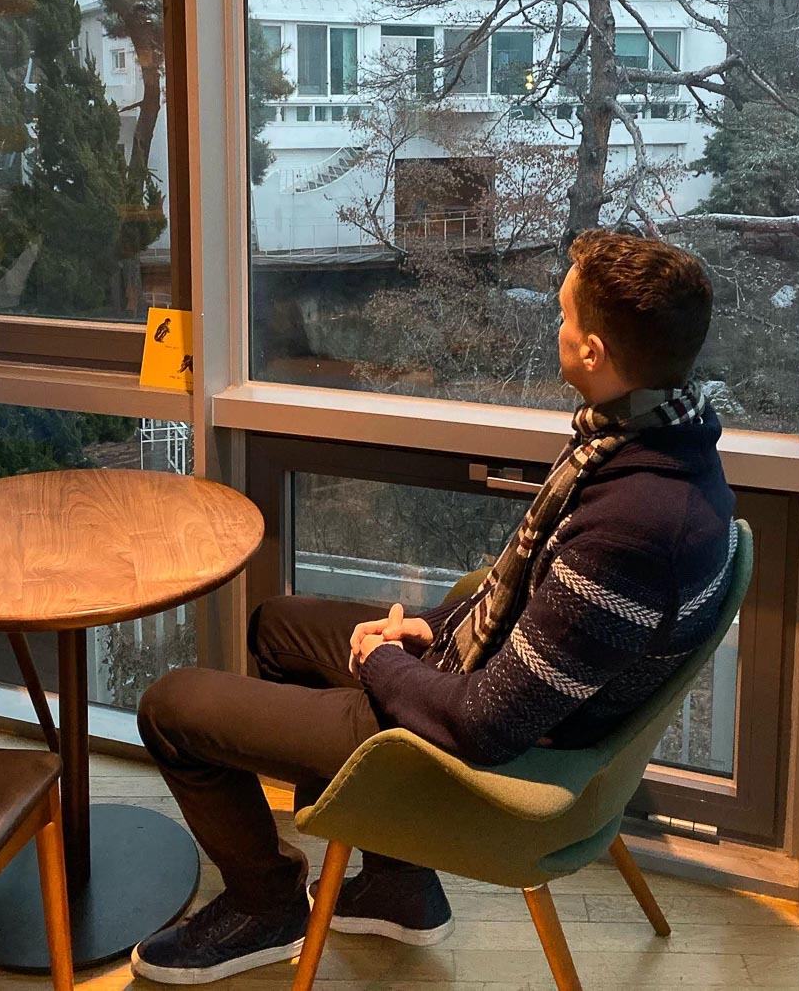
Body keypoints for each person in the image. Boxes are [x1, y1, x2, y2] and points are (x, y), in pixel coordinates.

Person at [132, 229, 737, 984]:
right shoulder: (654, 437)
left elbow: (484, 725)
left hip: (493, 754)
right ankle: (396, 882)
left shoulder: (636, 526)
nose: (555, 327)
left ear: (592, 352)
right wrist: (434, 627)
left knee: (169, 708)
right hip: (504, 688)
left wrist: (384, 662)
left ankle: (265, 904)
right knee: (276, 628)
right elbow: (528, 593)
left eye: (563, 316)